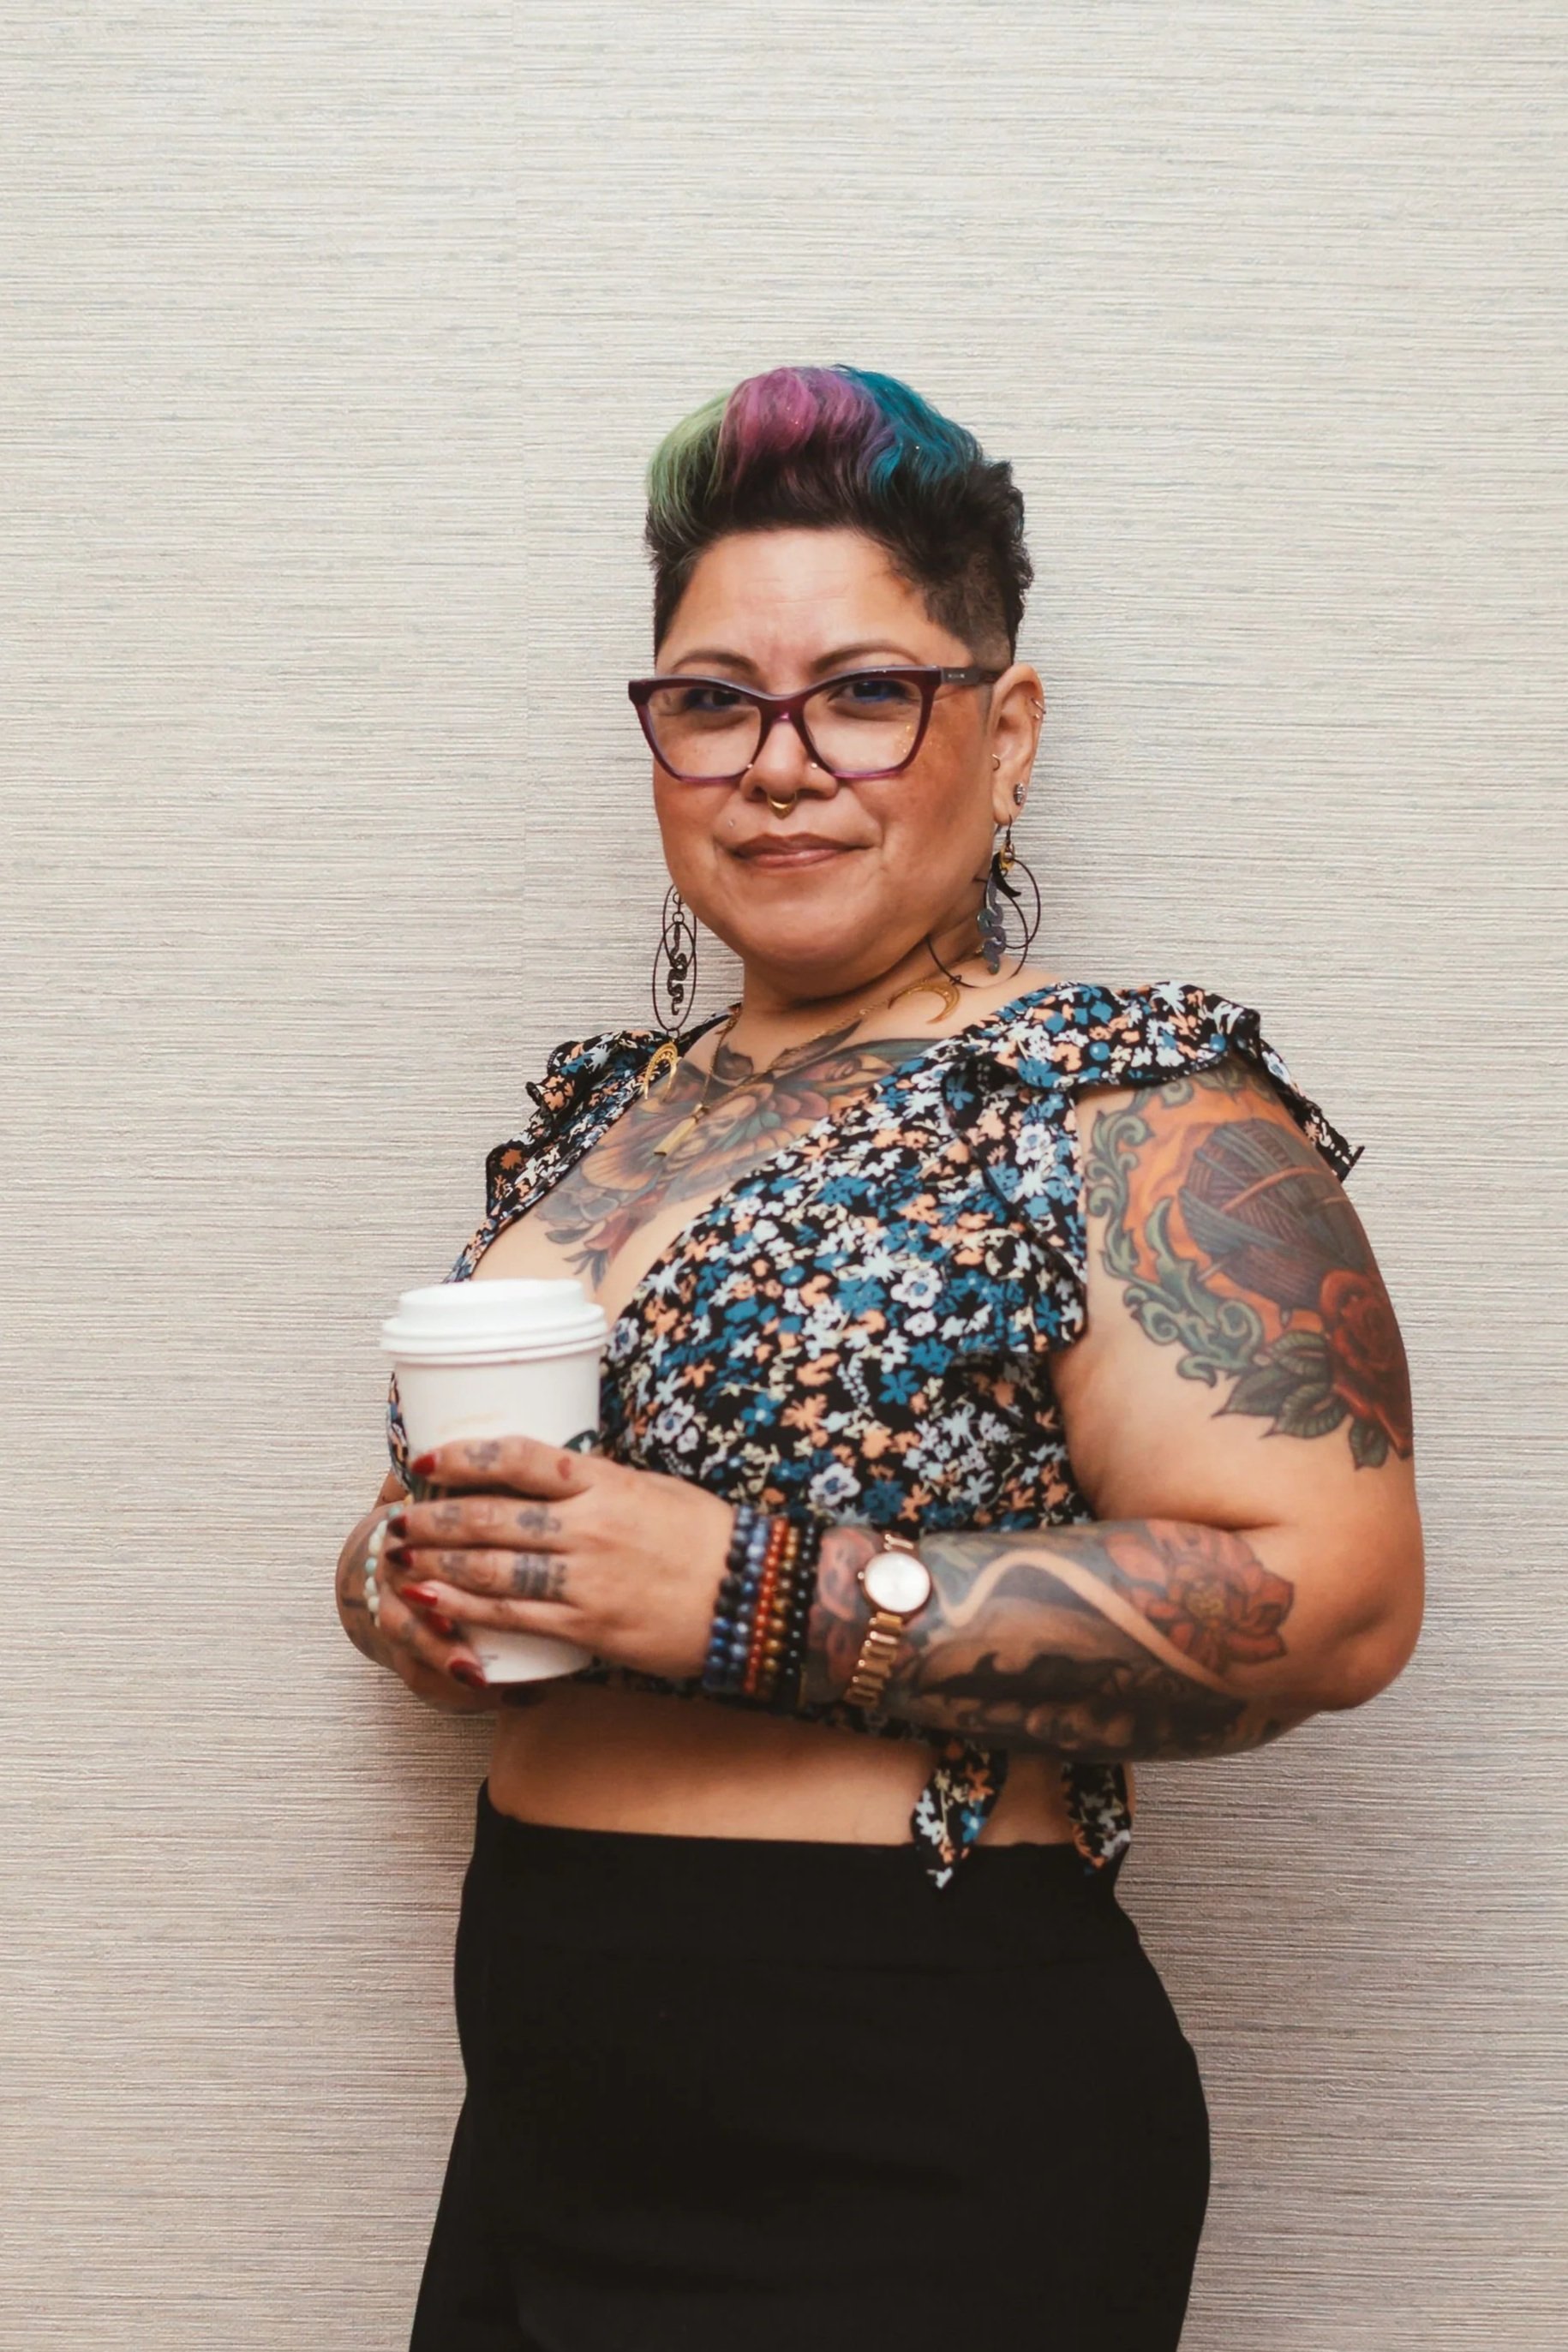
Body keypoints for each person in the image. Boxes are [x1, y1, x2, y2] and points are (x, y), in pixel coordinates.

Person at [335, 363, 1425, 2351]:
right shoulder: (597, 1122)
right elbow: (507, 1524)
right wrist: (408, 1576)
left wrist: (741, 1584)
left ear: (1002, 734)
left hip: (907, 2112)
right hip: (555, 2102)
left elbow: (1331, 1600)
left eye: (863, 690)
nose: (779, 761)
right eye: (711, 700)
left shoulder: (1126, 1104)